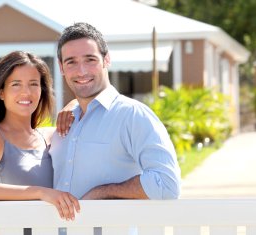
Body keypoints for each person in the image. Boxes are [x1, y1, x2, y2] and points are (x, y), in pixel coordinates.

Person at [50, 22, 181, 200]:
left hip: (109, 228)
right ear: (61, 67)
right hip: (56, 229)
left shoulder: (132, 115)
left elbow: (166, 185)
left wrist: (102, 192)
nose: (81, 71)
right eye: (71, 62)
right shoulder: (65, 123)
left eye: (90, 60)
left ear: (107, 59)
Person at [0, 51, 80, 230]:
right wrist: (41, 193)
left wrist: (72, 105)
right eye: (16, 84)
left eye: (33, 84)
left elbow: (91, 106)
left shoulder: (51, 136)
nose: (26, 92)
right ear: (1, 92)